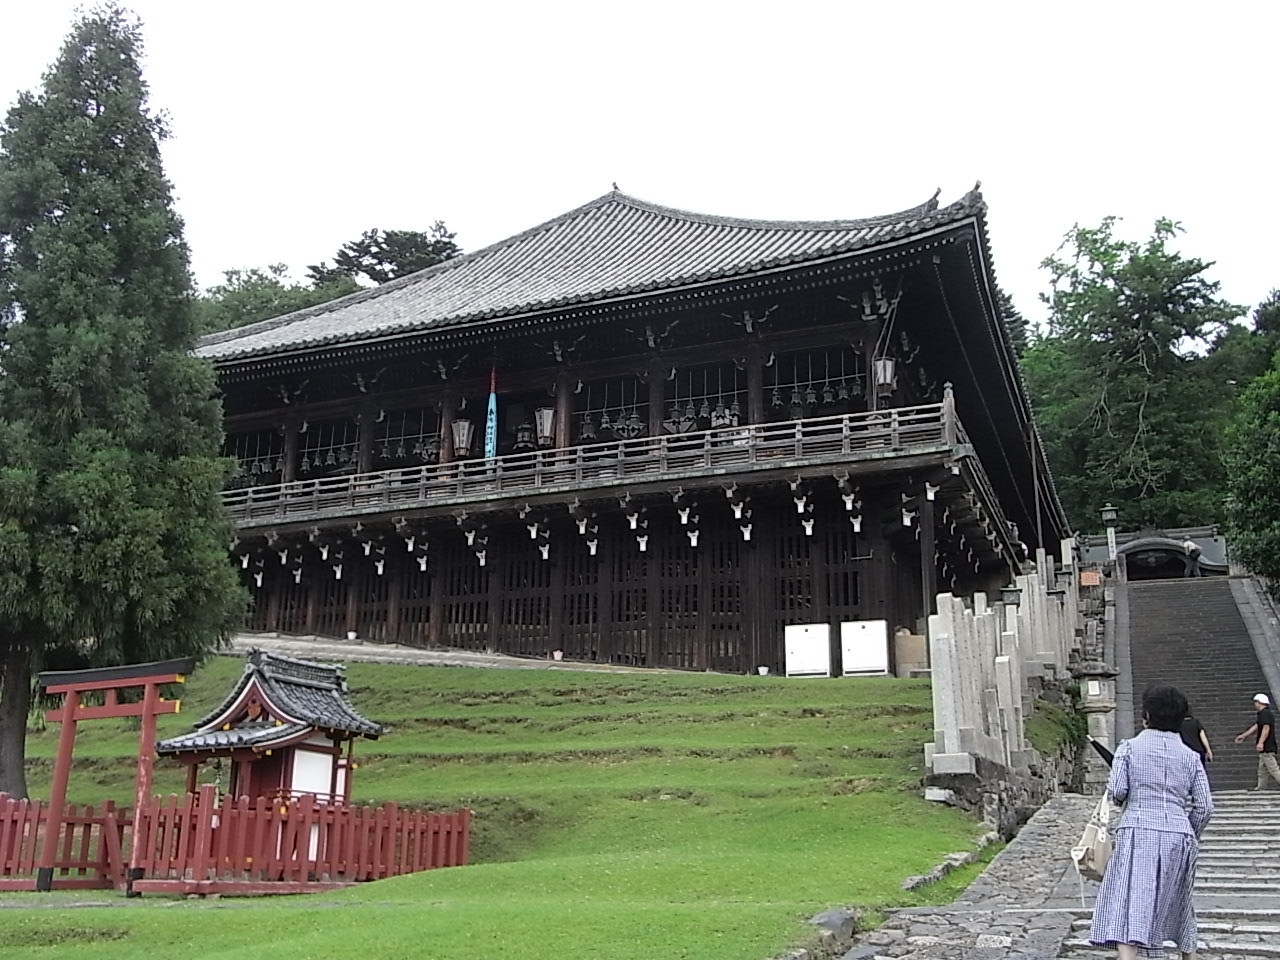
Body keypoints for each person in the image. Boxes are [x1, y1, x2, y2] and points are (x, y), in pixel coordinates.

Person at [1089, 685, 1213, 960]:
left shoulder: (1129, 749)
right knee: (1179, 898)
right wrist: (1188, 832)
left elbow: (1118, 790)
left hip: (1138, 829)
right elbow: (1204, 806)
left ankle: (1128, 956)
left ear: (1146, 715)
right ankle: (1188, 954)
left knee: (1130, 896)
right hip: (1179, 833)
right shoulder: (1191, 757)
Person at [1232, 693, 1280, 789]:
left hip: (1267, 746)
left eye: (1256, 702)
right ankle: (1260, 787)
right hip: (1267, 747)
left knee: (1273, 768)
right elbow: (1256, 726)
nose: (1255, 704)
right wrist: (1243, 735)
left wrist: (1261, 742)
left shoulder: (1265, 714)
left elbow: (1266, 728)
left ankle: (1261, 787)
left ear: (1260, 703)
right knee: (1262, 769)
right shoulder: (1264, 714)